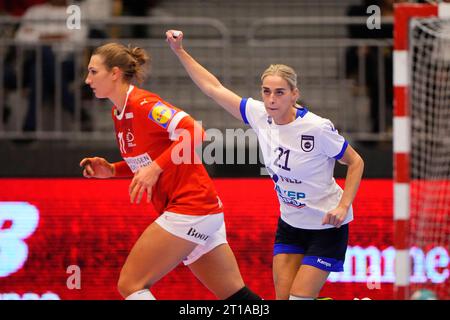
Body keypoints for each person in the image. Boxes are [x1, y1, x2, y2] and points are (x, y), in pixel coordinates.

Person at [166, 30, 364, 300]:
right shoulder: (260, 114)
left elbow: (355, 161)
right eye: (266, 92)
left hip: (326, 227)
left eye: (280, 92)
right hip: (290, 225)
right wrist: (179, 51)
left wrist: (343, 206)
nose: (272, 99)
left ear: (294, 95)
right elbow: (213, 88)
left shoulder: (317, 128)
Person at [80, 42, 261, 300]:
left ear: (115, 73)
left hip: (191, 207)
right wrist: (112, 170)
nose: (87, 80)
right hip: (199, 210)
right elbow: (146, 161)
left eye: (93, 72)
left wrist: (154, 168)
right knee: (236, 297)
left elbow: (195, 132)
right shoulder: (118, 112)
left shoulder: (144, 103)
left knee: (131, 284)